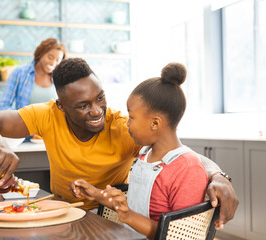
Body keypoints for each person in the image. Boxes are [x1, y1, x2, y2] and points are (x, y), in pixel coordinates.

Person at [0, 58, 238, 228]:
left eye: (100, 98)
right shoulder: (47, 114)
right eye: (83, 106)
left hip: (108, 218)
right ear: (61, 106)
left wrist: (218, 175)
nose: (97, 111)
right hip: (59, 212)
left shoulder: (122, 127)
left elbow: (178, 154)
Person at [71, 63, 209, 239]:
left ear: (155, 123)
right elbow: (134, 206)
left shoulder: (188, 168)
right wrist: (96, 193)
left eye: (132, 117)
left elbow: (181, 235)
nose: (127, 123)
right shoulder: (145, 155)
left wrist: (128, 216)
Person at [0, 38, 66, 110]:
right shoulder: (20, 73)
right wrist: (19, 119)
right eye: (50, 57)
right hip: (23, 121)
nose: (53, 63)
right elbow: (4, 105)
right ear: (41, 53)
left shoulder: (60, 79)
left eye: (57, 60)